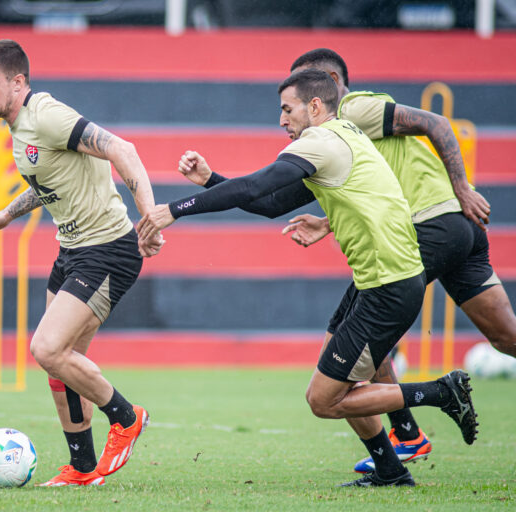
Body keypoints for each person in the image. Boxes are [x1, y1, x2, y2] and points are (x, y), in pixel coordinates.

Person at [138, 69, 478, 487]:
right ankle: (390, 469)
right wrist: (210, 180)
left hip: (388, 286)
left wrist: (174, 209)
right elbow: (270, 201)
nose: (281, 119)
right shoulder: (344, 135)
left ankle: (442, 393)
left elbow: (254, 187)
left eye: (287, 108)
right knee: (334, 372)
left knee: (324, 400)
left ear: (315, 106)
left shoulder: (319, 142)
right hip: (378, 281)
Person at [279, 48, 516, 473]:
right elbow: (375, 186)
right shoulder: (340, 137)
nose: (296, 103)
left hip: (431, 227)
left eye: (304, 89)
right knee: (506, 338)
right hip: (458, 231)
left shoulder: (352, 109)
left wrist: (462, 185)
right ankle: (405, 439)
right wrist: (329, 223)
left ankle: (408, 435)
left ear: (330, 82)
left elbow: (435, 122)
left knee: (357, 326)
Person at [0, 40, 161, 487]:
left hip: (108, 250)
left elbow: (124, 150)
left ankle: (126, 417)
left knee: (47, 349)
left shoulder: (47, 115)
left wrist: (149, 218)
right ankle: (81, 467)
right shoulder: (21, 127)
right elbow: (49, 180)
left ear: (18, 83)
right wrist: (6, 215)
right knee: (61, 362)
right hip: (72, 250)